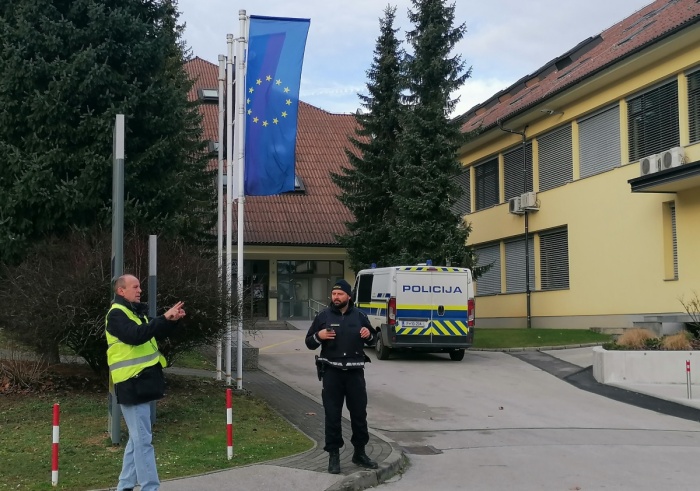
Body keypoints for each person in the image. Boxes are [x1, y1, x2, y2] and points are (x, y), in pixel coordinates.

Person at [105, 274, 186, 491]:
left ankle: (125, 486)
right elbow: (136, 335)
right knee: (142, 440)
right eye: (135, 286)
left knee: (137, 438)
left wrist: (171, 320)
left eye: (140, 286)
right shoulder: (117, 315)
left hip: (142, 383)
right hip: (131, 384)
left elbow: (153, 330)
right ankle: (150, 487)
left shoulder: (134, 313)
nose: (140, 290)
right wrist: (162, 318)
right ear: (121, 291)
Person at [305, 279, 379, 474]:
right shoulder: (323, 316)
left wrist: (368, 335)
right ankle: (334, 456)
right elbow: (309, 342)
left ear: (349, 296)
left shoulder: (360, 316)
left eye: (340, 294)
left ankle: (360, 453)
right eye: (333, 294)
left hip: (355, 374)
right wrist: (318, 336)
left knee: (359, 415)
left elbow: (373, 340)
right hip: (332, 373)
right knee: (332, 416)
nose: (335, 297)